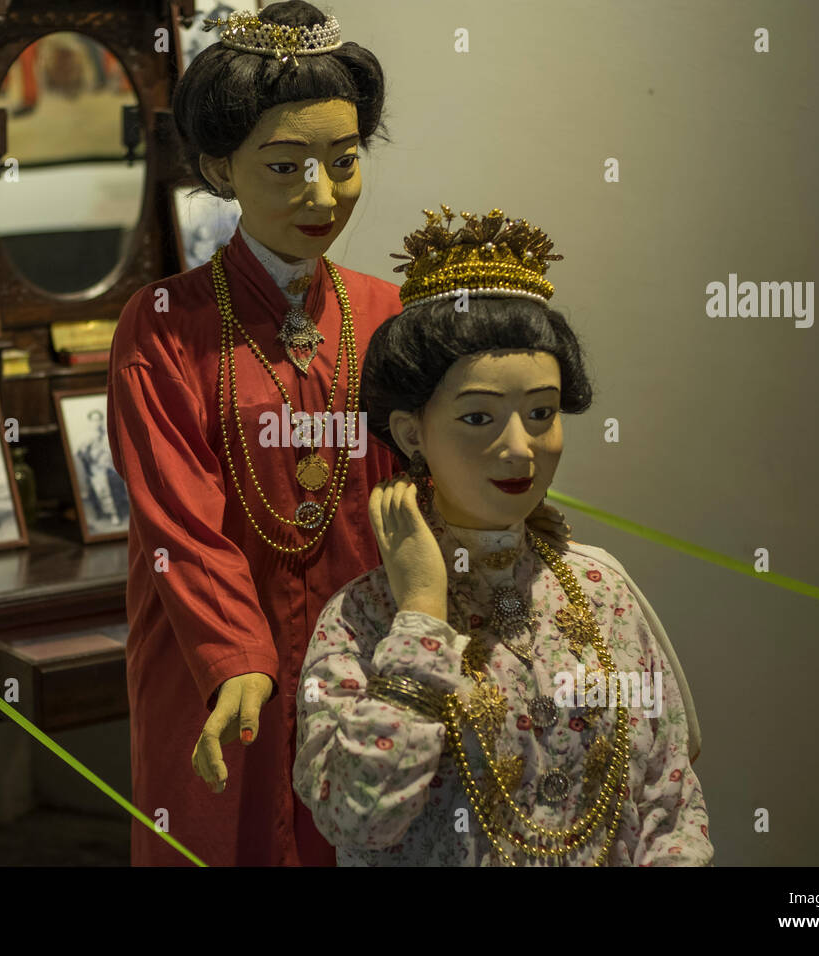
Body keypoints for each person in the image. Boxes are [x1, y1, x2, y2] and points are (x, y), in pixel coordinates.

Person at [107, 3, 573, 867]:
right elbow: (178, 518)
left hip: (364, 633)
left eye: (343, 161)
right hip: (209, 655)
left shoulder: (383, 311)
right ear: (221, 168)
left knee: (360, 822)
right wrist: (235, 654)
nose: (320, 194)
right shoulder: (164, 324)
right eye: (284, 166)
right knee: (224, 828)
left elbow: (446, 471)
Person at [293, 206, 711, 865]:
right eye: (480, 416)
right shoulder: (362, 622)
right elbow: (357, 817)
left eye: (541, 413)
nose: (520, 449)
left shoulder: (603, 592)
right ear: (410, 434)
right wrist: (424, 619)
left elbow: (670, 801)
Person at [77, 409, 128, 526]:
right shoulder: (85, 437)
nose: (97, 422)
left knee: (121, 480)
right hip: (96, 468)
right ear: (90, 421)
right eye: (94, 420)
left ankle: (124, 509)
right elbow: (82, 455)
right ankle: (113, 513)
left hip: (111, 466)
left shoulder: (108, 433)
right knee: (102, 483)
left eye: (99, 419)